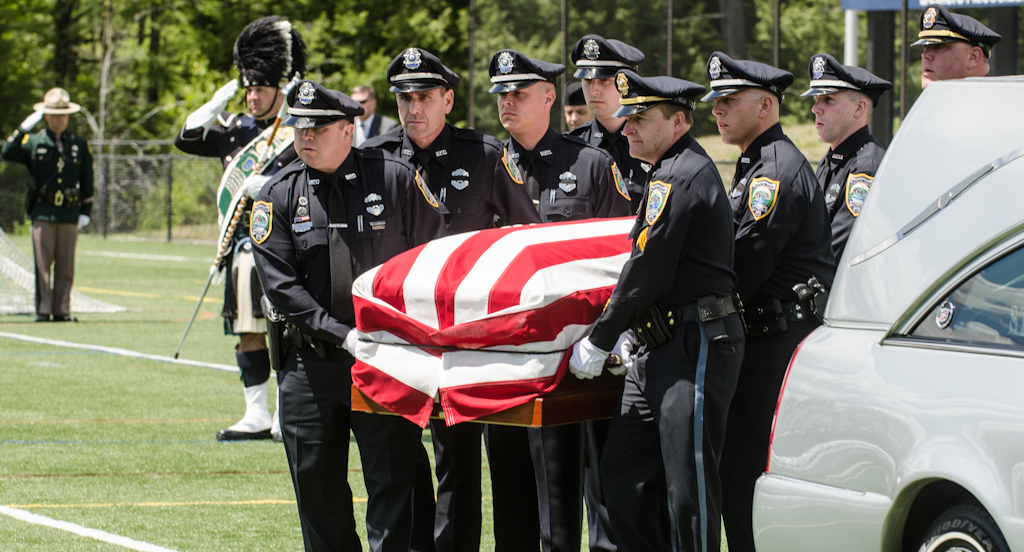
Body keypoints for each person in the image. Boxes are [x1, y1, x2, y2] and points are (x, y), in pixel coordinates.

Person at [250, 80, 445, 552]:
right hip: (309, 364)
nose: (305, 137)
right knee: (316, 489)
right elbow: (281, 286)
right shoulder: (278, 192)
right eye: (299, 128)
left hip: (385, 358)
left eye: (318, 128)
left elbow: (431, 256)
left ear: (347, 129)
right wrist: (342, 335)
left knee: (394, 479)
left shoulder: (395, 177)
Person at [362, 46, 540, 552]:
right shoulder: (374, 157)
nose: (413, 109)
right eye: (404, 98)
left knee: (459, 458)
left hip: (462, 337)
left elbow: (523, 234)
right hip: (395, 335)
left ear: (448, 99)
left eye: (424, 97)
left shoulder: (483, 156)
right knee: (398, 458)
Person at [568, 69, 744, 552]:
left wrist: (601, 338)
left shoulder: (683, 174)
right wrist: (629, 330)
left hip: (695, 345)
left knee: (689, 491)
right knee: (623, 476)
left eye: (641, 119)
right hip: (657, 346)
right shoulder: (667, 172)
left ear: (679, 121)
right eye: (627, 119)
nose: (627, 128)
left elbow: (647, 270)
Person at [486, 48, 631, 552]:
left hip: (574, 359)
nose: (507, 102)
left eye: (518, 93)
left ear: (549, 97)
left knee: (562, 497)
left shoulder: (589, 165)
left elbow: (620, 258)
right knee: (509, 497)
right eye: (501, 94)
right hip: (500, 357)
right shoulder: (485, 166)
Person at [701, 52, 836, 552]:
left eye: (730, 101)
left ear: (765, 105)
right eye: (716, 101)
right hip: (760, 342)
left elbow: (744, 267)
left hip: (774, 348)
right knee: (739, 476)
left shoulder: (772, 173)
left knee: (752, 477)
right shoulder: (758, 164)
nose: (718, 110)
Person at [174, 16, 305, 442]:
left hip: (285, 246)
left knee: (285, 331)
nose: (251, 97)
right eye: (247, 89)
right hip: (242, 247)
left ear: (279, 90)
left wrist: (267, 185)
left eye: (260, 89)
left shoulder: (297, 130)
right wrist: (214, 105)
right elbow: (187, 138)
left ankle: (286, 413)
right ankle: (255, 413)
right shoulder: (235, 130)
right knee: (248, 330)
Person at [2, 87, 93, 323]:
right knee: (43, 265)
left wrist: (85, 211)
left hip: (69, 212)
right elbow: (7, 152)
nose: (60, 119)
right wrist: (23, 128)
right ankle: (43, 309)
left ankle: (62, 309)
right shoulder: (34, 142)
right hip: (43, 211)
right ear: (46, 116)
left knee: (66, 266)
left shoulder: (78, 144)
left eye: (64, 115)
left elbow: (87, 179)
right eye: (55, 114)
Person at [801, 53, 892, 260]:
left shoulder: (865, 168)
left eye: (828, 99)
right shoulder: (833, 159)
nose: (815, 108)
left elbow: (833, 251)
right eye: (816, 99)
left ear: (859, 108)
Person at [569, 35, 648, 212]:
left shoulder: (654, 144)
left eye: (604, 80)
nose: (593, 90)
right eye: (587, 80)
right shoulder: (571, 149)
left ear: (627, 83)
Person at [913, 4, 1001, 89]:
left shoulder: (995, 102)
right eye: (925, 47)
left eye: (939, 46)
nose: (925, 55)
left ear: (973, 57)